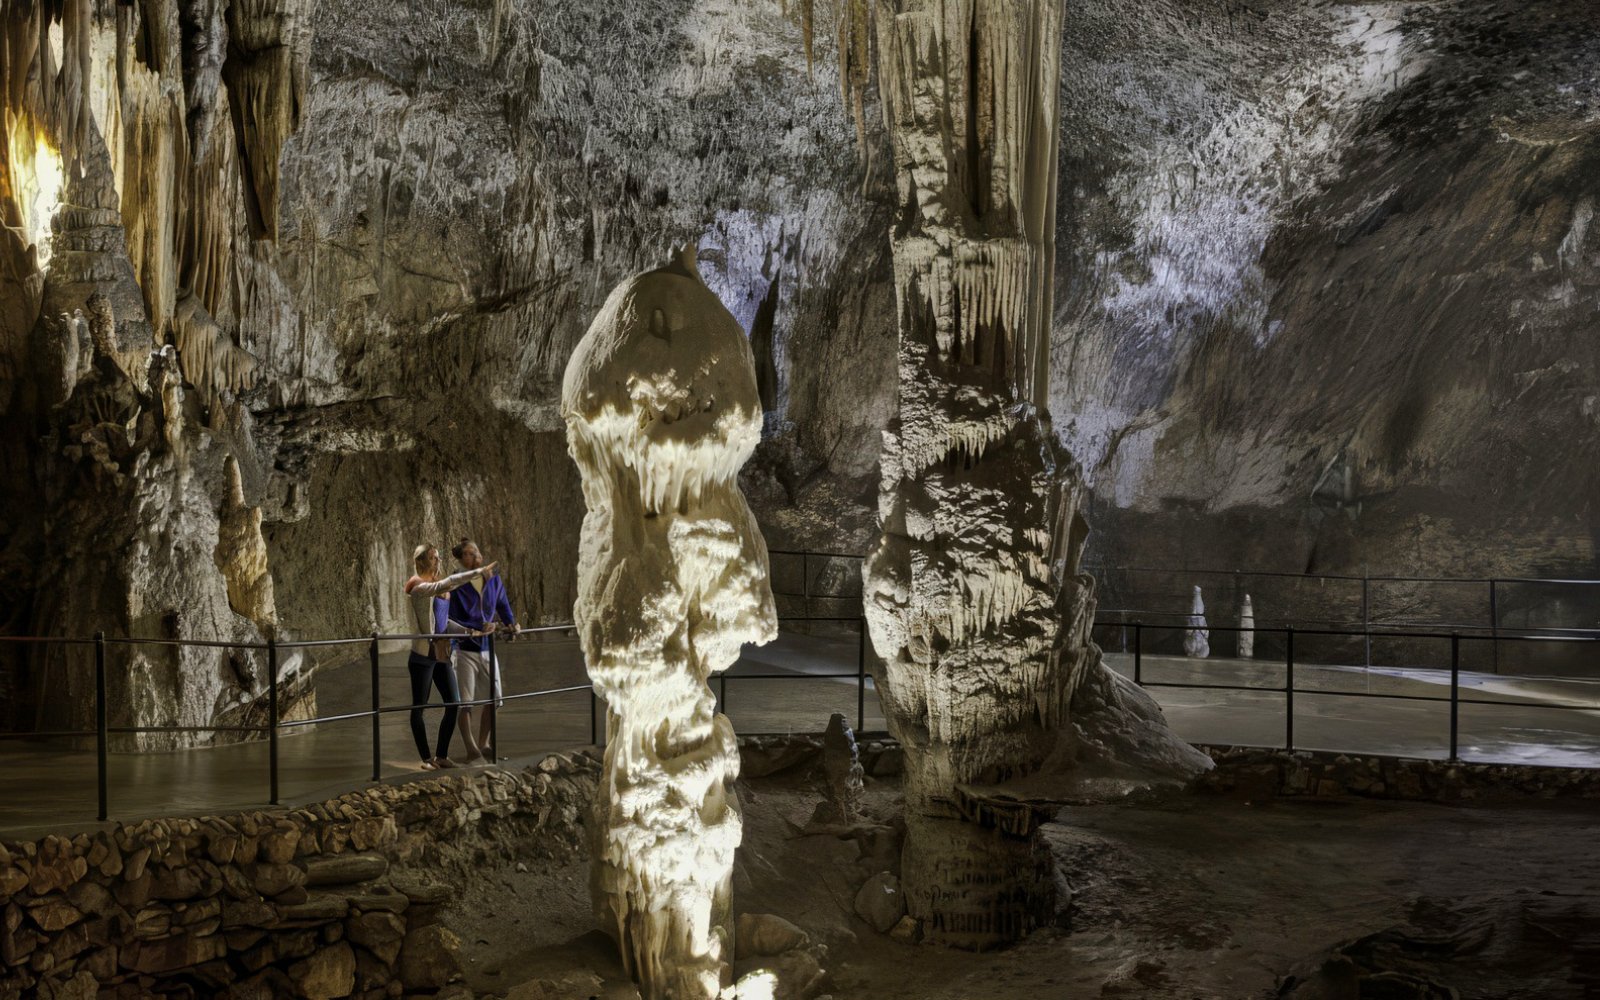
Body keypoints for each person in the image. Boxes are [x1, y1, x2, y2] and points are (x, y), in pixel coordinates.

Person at [403, 544, 495, 771]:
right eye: (434, 558)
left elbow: (443, 624)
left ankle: (441, 755)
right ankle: (426, 759)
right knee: (419, 707)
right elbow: (447, 584)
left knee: (453, 703)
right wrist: (476, 573)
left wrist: (471, 630)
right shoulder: (418, 587)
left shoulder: (434, 589)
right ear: (423, 561)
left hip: (441, 655)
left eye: (438, 558)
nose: (438, 562)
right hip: (422, 657)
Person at [446, 539, 517, 764]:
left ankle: (484, 743)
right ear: (461, 559)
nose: (476, 555)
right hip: (464, 648)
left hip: (487, 647)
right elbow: (448, 617)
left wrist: (511, 623)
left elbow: (502, 603)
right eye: (469, 553)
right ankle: (471, 749)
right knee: (465, 701)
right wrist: (475, 627)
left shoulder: (493, 579)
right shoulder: (455, 583)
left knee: (494, 698)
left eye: (476, 550)